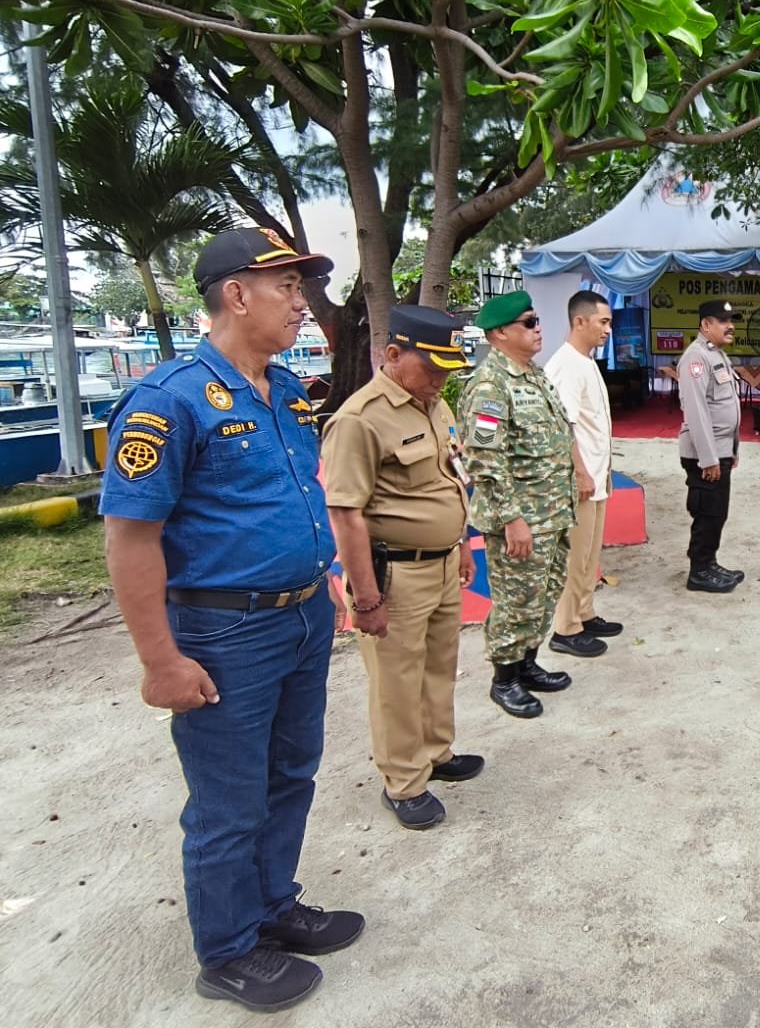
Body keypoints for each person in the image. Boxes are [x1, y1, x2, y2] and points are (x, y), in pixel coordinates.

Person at [100, 227, 360, 1012]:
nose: (301, 303)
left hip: (301, 617)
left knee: (291, 773)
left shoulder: (285, 390)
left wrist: (324, 580)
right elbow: (131, 538)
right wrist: (160, 661)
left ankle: (273, 905)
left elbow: (298, 499)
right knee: (228, 800)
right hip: (225, 631)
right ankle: (229, 950)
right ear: (238, 294)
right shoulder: (169, 400)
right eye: (288, 287)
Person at [322, 306, 481, 832]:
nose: (440, 379)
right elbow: (346, 514)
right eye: (431, 368)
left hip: (442, 564)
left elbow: (450, 479)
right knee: (396, 681)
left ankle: (436, 751)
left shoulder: (434, 404)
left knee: (439, 666)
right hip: (395, 573)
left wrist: (461, 543)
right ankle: (404, 782)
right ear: (393, 355)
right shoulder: (359, 420)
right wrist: (366, 598)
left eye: (447, 370)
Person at [459, 290, 584, 721]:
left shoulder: (532, 375)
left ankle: (528, 663)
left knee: (544, 595)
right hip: (522, 519)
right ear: (499, 333)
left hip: (551, 513)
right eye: (529, 323)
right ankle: (505, 678)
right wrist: (512, 519)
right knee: (517, 601)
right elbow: (484, 460)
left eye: (537, 321)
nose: (538, 328)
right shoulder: (490, 387)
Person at [544, 290, 626, 654]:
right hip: (580, 479)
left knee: (590, 554)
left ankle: (585, 612)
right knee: (574, 556)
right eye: (603, 322)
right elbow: (564, 426)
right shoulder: (565, 365)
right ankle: (566, 628)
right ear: (580, 321)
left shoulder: (586, 361)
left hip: (596, 475)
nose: (608, 329)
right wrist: (579, 471)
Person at [679, 300, 746, 593]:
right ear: (706, 325)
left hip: (720, 451)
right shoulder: (695, 358)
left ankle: (710, 562)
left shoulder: (716, 354)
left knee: (717, 512)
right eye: (723, 321)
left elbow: (725, 408)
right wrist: (708, 459)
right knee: (707, 512)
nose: (730, 326)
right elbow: (696, 412)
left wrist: (731, 451)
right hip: (705, 455)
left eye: (731, 320)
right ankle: (699, 572)